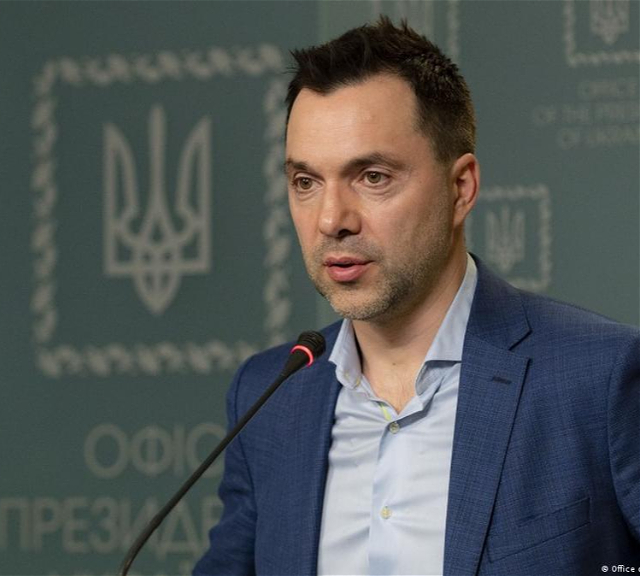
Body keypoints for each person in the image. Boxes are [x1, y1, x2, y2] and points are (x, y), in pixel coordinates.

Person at [193, 17, 640, 576]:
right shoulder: (268, 397)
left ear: (461, 189)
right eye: (306, 182)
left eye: (372, 177)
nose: (331, 219)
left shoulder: (600, 378)